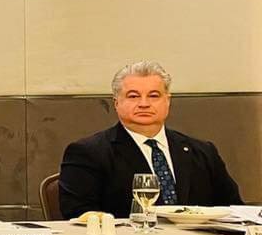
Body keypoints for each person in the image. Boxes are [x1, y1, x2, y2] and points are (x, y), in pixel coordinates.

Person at [59, 60, 242, 220]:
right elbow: (78, 214)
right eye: (133, 96)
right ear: (116, 103)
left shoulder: (203, 152)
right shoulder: (88, 153)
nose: (144, 104)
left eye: (154, 96)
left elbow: (234, 209)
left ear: (167, 101)